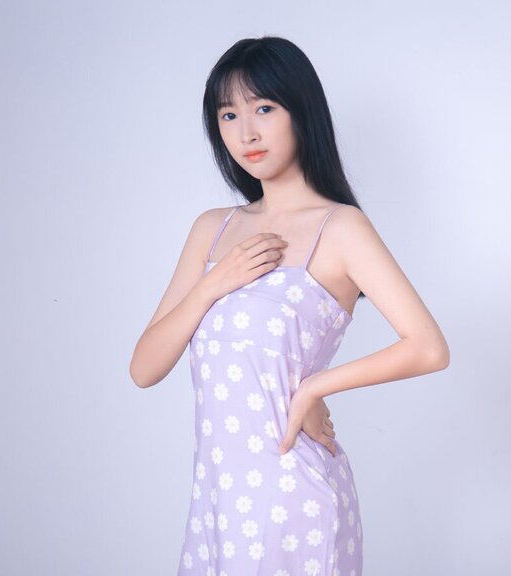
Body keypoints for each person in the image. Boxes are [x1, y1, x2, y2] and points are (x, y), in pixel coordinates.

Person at [129, 36, 450, 576]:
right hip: (218, 503)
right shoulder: (213, 230)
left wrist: (313, 388)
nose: (246, 133)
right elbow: (144, 368)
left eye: (264, 108)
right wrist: (213, 284)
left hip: (294, 497)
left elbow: (428, 348)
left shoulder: (340, 227)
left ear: (301, 111)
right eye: (228, 114)